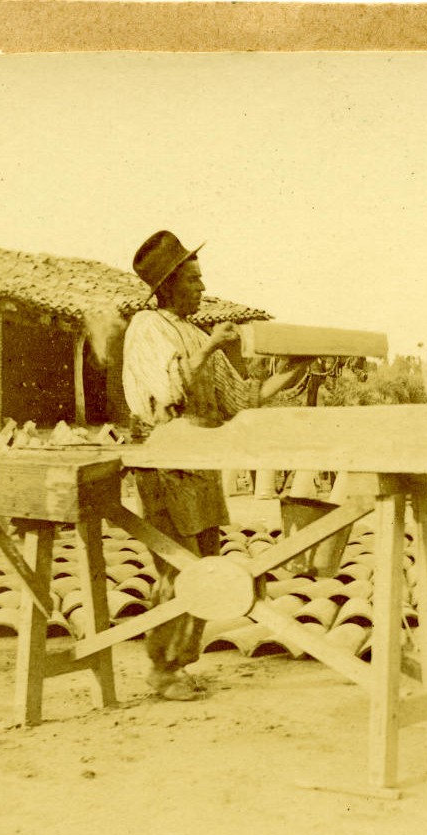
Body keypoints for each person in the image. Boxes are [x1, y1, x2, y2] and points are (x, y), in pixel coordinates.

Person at [121, 230, 304, 701]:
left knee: (202, 566)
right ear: (169, 286)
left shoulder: (198, 332)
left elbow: (241, 399)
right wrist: (210, 349)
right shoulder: (147, 328)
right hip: (165, 464)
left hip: (200, 466)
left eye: (202, 279)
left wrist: (299, 368)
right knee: (176, 569)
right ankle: (162, 669)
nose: (203, 288)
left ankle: (178, 665)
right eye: (194, 280)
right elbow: (169, 389)